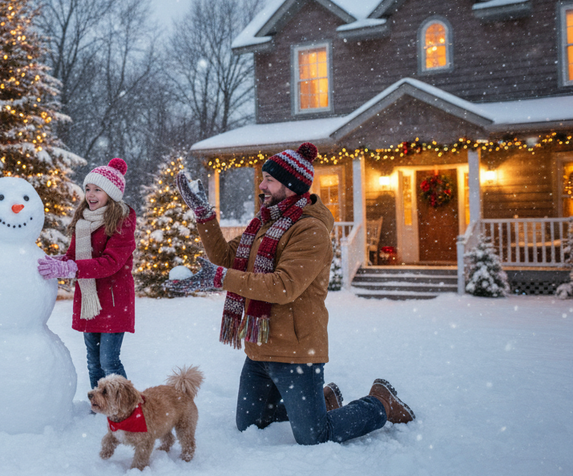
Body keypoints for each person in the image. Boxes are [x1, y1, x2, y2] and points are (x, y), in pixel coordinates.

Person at [168, 143, 414, 445]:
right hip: (259, 346)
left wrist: (219, 278)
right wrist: (204, 216)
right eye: (263, 178)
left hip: (297, 350)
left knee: (314, 435)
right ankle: (320, 402)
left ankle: (380, 403)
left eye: (269, 179)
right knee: (250, 426)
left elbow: (282, 286)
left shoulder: (310, 230)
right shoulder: (264, 223)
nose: (262, 185)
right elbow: (226, 259)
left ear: (292, 186)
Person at [37, 158, 137, 391]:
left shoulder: (122, 221)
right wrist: (57, 262)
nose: (91, 195)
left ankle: (127, 407)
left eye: (97, 190)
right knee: (93, 363)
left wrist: (72, 268)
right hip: (89, 301)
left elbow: (111, 262)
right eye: (88, 189)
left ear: (111, 193)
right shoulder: (83, 222)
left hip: (113, 301)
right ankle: (100, 407)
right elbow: (73, 256)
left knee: (108, 361)